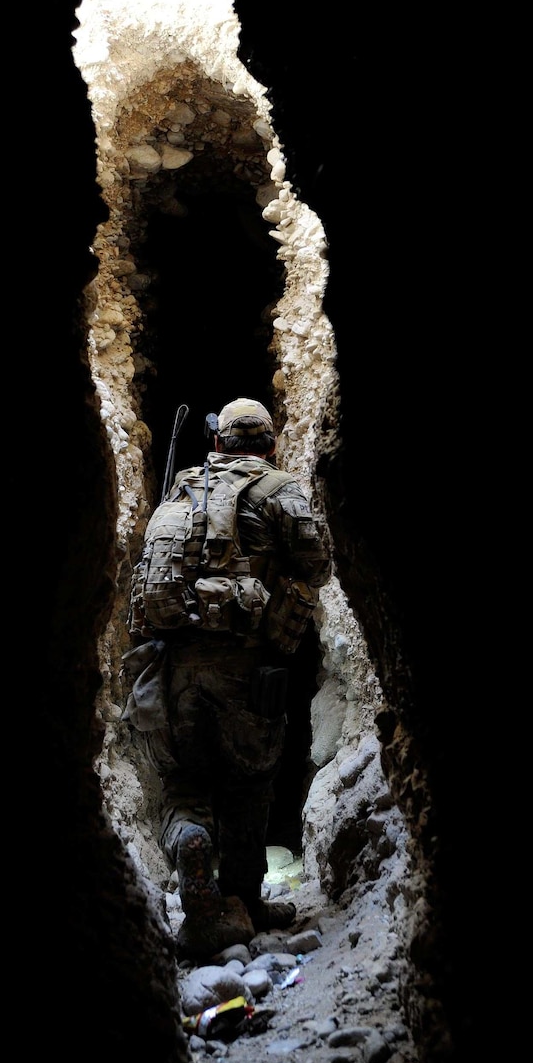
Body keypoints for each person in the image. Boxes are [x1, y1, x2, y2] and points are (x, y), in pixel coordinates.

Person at [122, 397, 331, 960]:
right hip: (244, 667)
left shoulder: (183, 489)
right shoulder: (278, 486)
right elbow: (318, 561)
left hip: (172, 666)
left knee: (183, 786)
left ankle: (191, 846)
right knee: (249, 782)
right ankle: (243, 899)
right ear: (269, 445)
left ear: (218, 445)